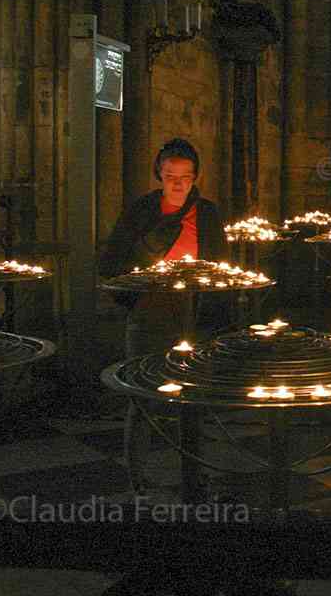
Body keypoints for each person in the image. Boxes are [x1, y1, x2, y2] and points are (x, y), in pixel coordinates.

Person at [99, 138, 227, 492]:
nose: (177, 183)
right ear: (159, 174)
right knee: (142, 396)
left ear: (195, 177)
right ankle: (136, 480)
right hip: (149, 313)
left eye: (185, 176)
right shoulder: (142, 211)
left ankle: (194, 476)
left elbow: (220, 266)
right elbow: (111, 263)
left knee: (194, 399)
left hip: (192, 315)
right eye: (170, 175)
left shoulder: (207, 214)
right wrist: (143, 286)